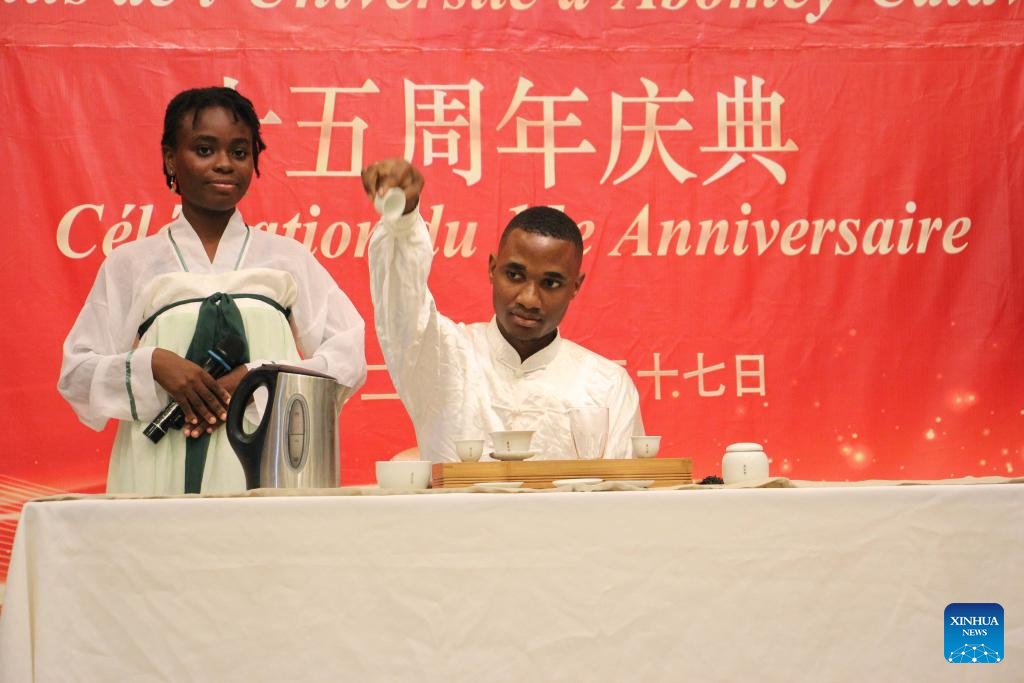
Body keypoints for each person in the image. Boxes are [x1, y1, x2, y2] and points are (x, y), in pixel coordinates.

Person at [59, 87, 366, 495]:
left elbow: (348, 356)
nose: (224, 163)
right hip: (159, 466)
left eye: (239, 152)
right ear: (171, 158)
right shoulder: (131, 264)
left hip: (268, 461)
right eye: (204, 150)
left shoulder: (287, 259)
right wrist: (153, 364)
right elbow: (77, 374)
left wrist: (261, 377)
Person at [364, 159, 644, 463]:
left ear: (575, 286)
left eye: (550, 283)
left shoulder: (607, 386)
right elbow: (401, 301)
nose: (529, 299)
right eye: (514, 275)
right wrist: (403, 220)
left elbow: (623, 489)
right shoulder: (442, 355)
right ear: (492, 269)